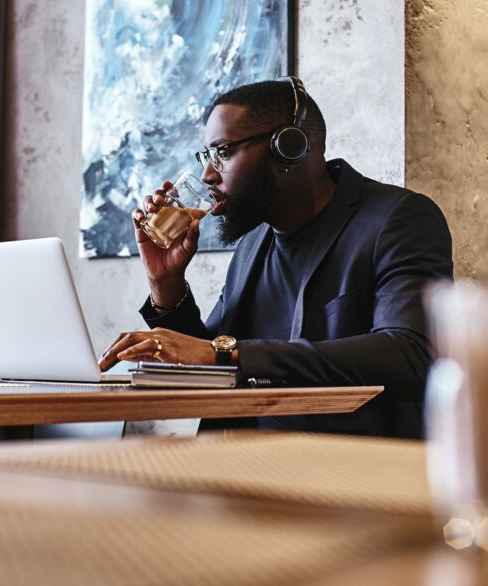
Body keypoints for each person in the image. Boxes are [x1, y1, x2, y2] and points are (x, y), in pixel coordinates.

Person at [99, 77, 454, 438]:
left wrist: (227, 355)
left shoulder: (397, 219)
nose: (207, 174)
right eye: (206, 156)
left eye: (222, 152)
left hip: (350, 470)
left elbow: (411, 355)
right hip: (238, 465)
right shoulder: (254, 242)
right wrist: (166, 284)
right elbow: (208, 362)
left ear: (289, 148)